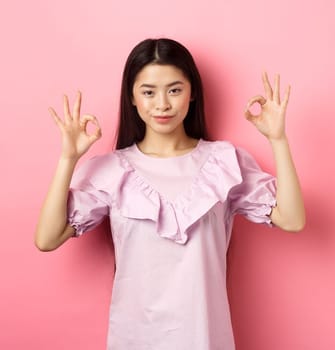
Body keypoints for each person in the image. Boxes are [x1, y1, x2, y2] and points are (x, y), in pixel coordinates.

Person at [34, 38, 305, 349]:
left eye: (174, 90)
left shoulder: (224, 162)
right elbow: (47, 239)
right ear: (132, 98)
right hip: (135, 338)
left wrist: (278, 140)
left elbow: (292, 219)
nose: (162, 104)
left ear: (191, 94)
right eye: (148, 92)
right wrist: (68, 158)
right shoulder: (111, 170)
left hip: (205, 336)